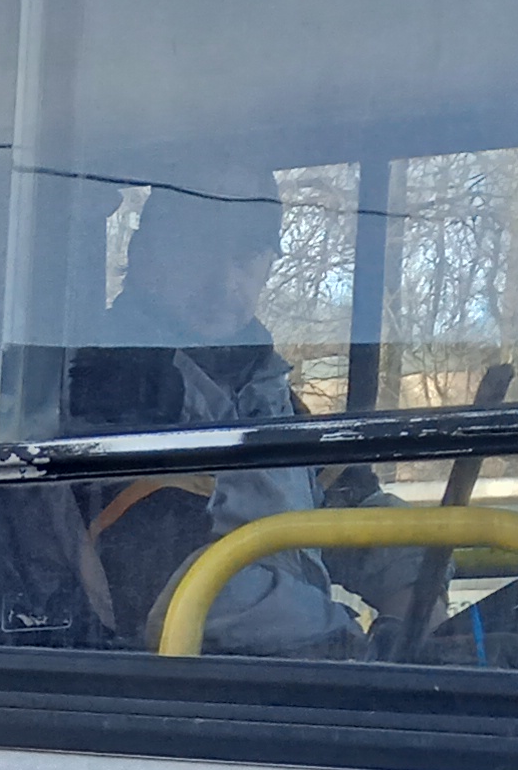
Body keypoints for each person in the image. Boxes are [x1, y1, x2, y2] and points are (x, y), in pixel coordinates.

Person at [71, 178, 360, 656]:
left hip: (280, 667)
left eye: (246, 257)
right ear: (145, 255)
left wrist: (418, 593)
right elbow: (162, 576)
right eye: (196, 252)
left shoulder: (265, 384)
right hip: (177, 687)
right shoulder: (109, 382)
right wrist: (341, 639)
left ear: (269, 266)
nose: (223, 282)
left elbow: (351, 503)